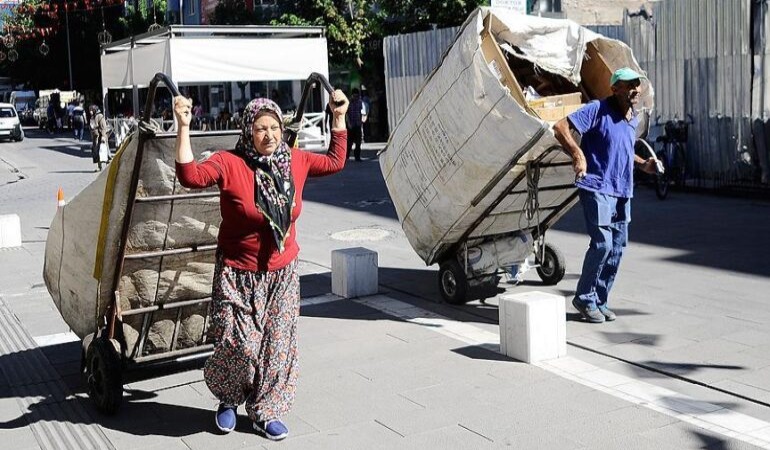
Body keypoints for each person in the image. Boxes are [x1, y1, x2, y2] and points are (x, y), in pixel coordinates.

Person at [172, 90, 349, 440]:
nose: (269, 135)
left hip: (282, 272)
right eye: (260, 128)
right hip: (238, 272)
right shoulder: (229, 162)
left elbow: (335, 161)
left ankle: (266, 410)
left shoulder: (294, 160)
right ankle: (228, 398)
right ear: (247, 132)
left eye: (274, 127)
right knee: (237, 343)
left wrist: (339, 118)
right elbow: (190, 176)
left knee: (277, 344)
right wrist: (183, 126)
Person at [553, 67, 657, 323]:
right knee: (603, 244)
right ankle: (584, 298)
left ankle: (599, 299)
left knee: (618, 248)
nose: (635, 89)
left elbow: (621, 148)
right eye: (628, 84)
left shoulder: (632, 117)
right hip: (597, 186)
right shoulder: (597, 109)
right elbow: (560, 127)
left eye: (637, 84)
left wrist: (643, 163)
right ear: (615, 89)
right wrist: (578, 156)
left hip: (622, 190)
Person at [346, 88, 367, 161]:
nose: (355, 98)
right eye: (354, 96)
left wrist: (362, 121)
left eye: (357, 96)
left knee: (358, 142)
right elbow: (346, 114)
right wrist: (348, 123)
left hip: (357, 124)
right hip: (351, 124)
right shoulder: (348, 102)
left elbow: (363, 113)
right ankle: (346, 156)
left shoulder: (360, 102)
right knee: (349, 142)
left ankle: (357, 156)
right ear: (352, 95)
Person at [89, 105, 110, 171]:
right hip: (95, 137)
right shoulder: (93, 117)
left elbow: (103, 127)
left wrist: (103, 136)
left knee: (104, 151)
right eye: (90, 110)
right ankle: (99, 166)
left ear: (94, 110)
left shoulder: (100, 116)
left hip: (100, 136)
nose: (90, 112)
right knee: (96, 152)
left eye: (91, 110)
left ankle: (108, 166)